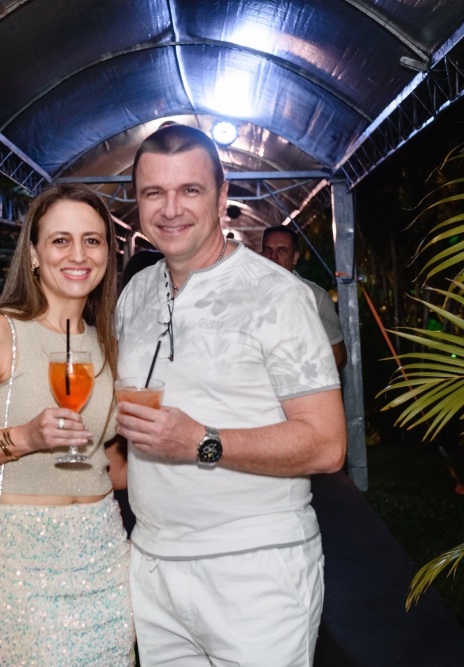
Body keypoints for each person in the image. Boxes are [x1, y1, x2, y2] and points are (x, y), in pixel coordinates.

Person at [114, 125, 346, 666]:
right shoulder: (135, 294)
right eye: (154, 192)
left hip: (254, 572)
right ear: (138, 202)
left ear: (222, 197)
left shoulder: (278, 296)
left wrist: (202, 441)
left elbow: (327, 444)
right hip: (152, 566)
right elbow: (119, 440)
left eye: (190, 190)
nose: (171, 209)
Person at [0, 184, 134, 666]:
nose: (78, 255)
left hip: (104, 553)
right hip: (18, 558)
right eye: (60, 240)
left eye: (92, 240)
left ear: (108, 253)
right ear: (33, 253)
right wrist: (25, 439)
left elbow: (108, 465)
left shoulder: (111, 344)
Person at [261, 224, 348, 371]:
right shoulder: (244, 294)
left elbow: (338, 356)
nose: (273, 257)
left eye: (282, 250)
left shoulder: (316, 297)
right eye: (267, 250)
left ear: (295, 257)